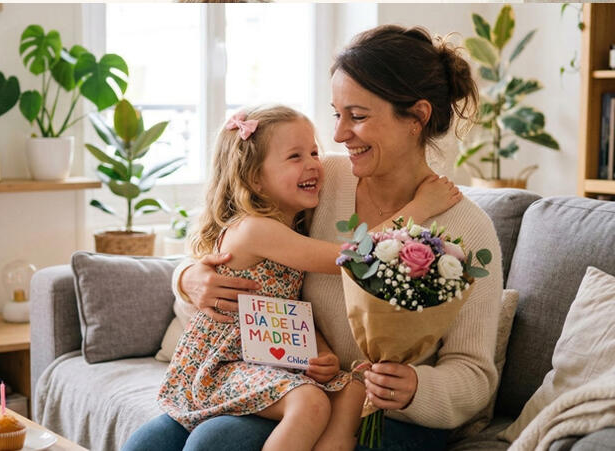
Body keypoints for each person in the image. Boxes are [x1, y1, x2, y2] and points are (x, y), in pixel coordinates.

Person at [128, 25, 504, 451]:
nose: (340, 135)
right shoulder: (321, 180)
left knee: (217, 441)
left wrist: (417, 386)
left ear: (416, 117)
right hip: (293, 382)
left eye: (357, 116)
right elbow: (241, 246)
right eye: (336, 114)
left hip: (385, 413)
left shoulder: (467, 228)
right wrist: (189, 279)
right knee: (149, 442)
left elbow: (475, 376)